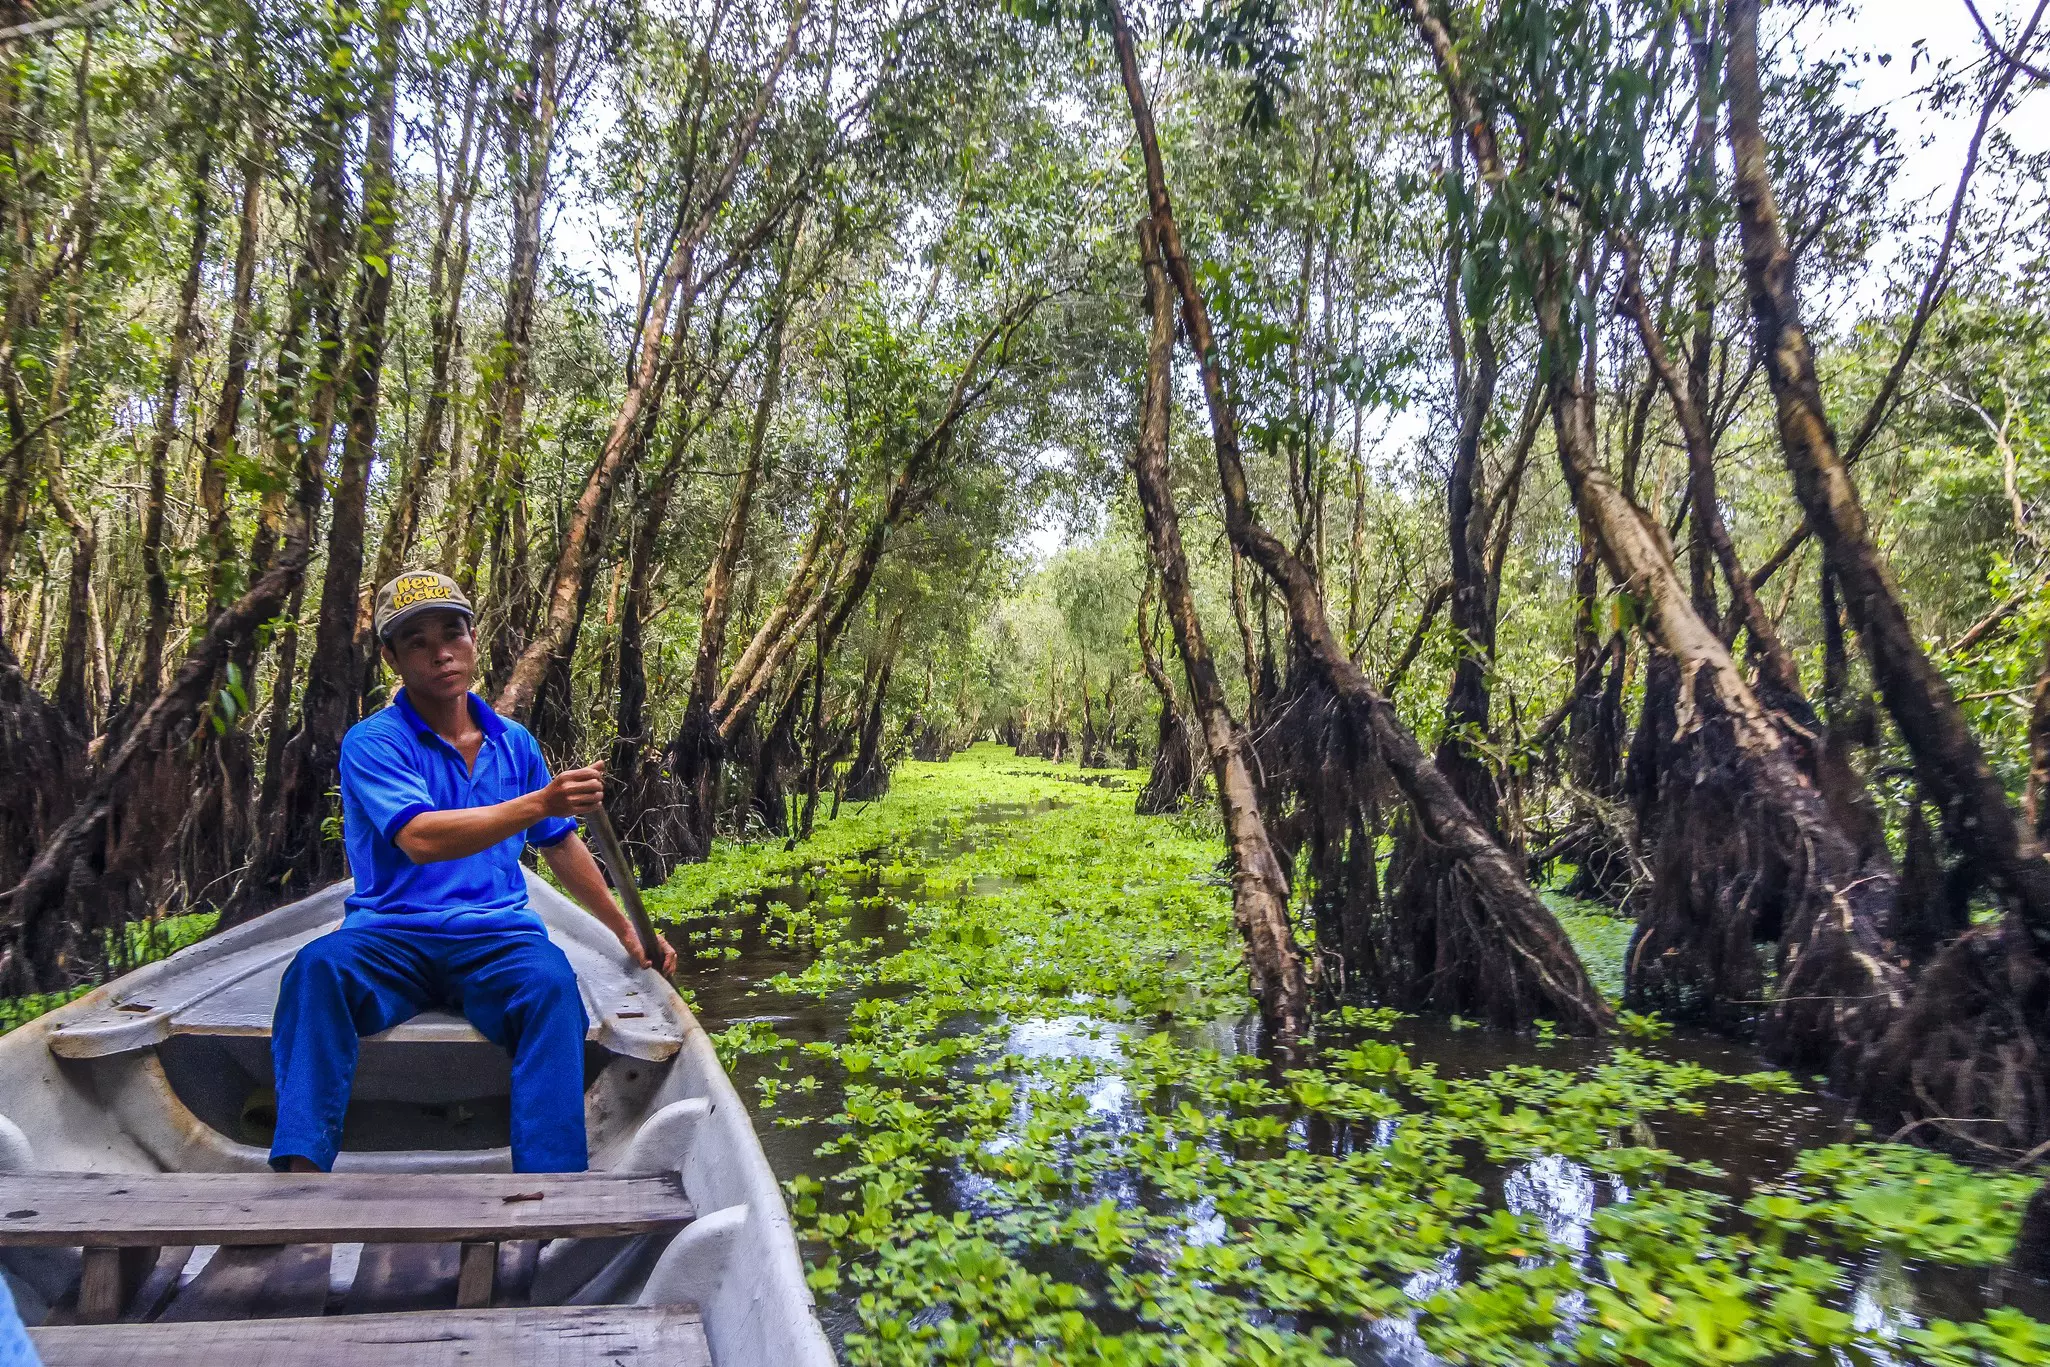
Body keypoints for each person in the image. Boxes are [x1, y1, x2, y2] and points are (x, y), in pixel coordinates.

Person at [267, 570, 677, 1175]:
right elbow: (420, 838)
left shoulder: (515, 743)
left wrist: (625, 930)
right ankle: (300, 1180)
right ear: (391, 657)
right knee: (315, 973)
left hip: (497, 939)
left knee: (552, 989)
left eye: (452, 633)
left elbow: (559, 843)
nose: (441, 653)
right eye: (416, 641)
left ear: (474, 638)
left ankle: (549, 1186)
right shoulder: (373, 742)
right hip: (391, 938)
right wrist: (540, 801)